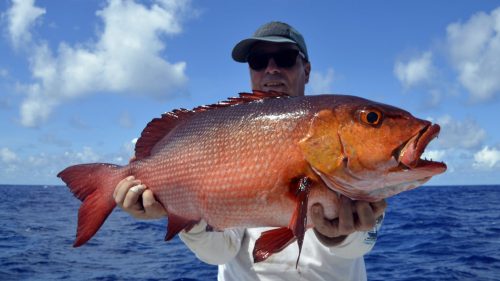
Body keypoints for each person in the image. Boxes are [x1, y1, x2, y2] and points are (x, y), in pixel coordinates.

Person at [113, 21, 387, 281]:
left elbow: (360, 246)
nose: (271, 69)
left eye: (284, 57)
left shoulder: (344, 138)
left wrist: (340, 235)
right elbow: (220, 251)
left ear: (307, 69)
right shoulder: (227, 135)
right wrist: (182, 215)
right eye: (258, 61)